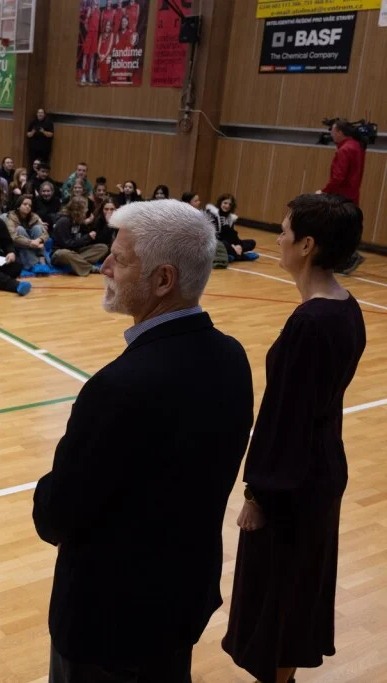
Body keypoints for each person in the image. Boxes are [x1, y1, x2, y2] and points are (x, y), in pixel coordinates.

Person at [34, 199, 254, 683]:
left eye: (120, 259)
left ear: (163, 280)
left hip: (108, 623)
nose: (105, 267)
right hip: (181, 602)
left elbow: (59, 514)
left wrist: (45, 488)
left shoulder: (119, 386)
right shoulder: (233, 357)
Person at [223, 194, 366, 683]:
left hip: (294, 481)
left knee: (279, 597)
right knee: (293, 593)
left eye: (284, 231)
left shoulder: (311, 322)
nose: (278, 239)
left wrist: (257, 494)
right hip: (321, 467)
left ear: (307, 245)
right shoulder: (346, 308)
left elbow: (285, 418)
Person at [321, 119, 366, 275]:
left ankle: (350, 256)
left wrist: (325, 191)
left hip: (341, 195)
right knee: (343, 227)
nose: (331, 134)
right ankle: (345, 258)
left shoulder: (345, 150)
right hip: (352, 194)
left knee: (335, 227)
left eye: (333, 131)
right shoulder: (356, 146)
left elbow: (338, 177)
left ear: (340, 132)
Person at [52, 196, 110, 276]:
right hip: (62, 254)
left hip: (76, 252)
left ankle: (76, 264)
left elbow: (87, 241)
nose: (87, 210)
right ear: (78, 210)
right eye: (85, 208)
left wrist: (89, 226)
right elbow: (67, 244)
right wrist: (87, 237)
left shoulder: (79, 220)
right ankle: (90, 268)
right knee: (62, 253)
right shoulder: (64, 221)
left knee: (103, 247)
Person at [5, 195, 50, 274]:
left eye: (30, 205)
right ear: (18, 206)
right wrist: (31, 243)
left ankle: (42, 259)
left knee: (37, 228)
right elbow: (13, 237)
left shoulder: (34, 217)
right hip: (18, 247)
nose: (28, 207)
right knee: (20, 229)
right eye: (25, 204)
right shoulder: (10, 217)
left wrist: (39, 240)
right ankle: (34, 264)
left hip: (34, 244)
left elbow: (46, 234)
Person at [206, 194, 256, 261]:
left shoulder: (231, 217)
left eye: (229, 204)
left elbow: (232, 235)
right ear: (220, 203)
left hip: (228, 243)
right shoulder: (213, 215)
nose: (227, 206)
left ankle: (231, 254)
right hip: (215, 242)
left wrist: (238, 245)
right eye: (225, 203)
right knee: (224, 244)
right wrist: (232, 245)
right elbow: (215, 235)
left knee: (252, 242)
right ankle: (241, 257)